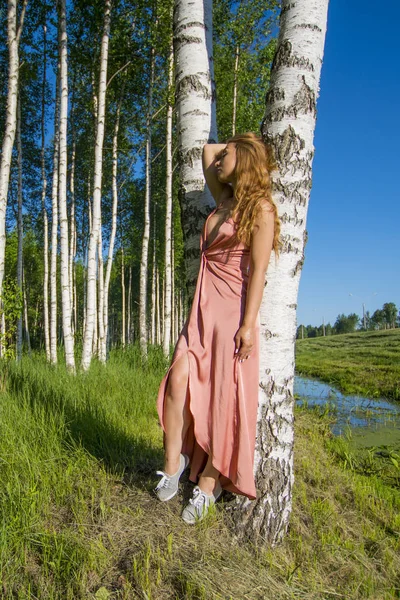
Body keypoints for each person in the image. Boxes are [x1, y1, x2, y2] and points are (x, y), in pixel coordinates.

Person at [155, 132, 280, 524]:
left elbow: (258, 271)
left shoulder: (260, 209)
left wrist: (247, 325)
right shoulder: (224, 200)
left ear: (243, 162)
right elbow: (206, 152)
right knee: (178, 379)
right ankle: (173, 464)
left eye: (230, 154)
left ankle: (209, 484)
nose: (220, 157)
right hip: (201, 313)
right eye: (225, 153)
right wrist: (237, 145)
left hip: (230, 318)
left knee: (223, 404)